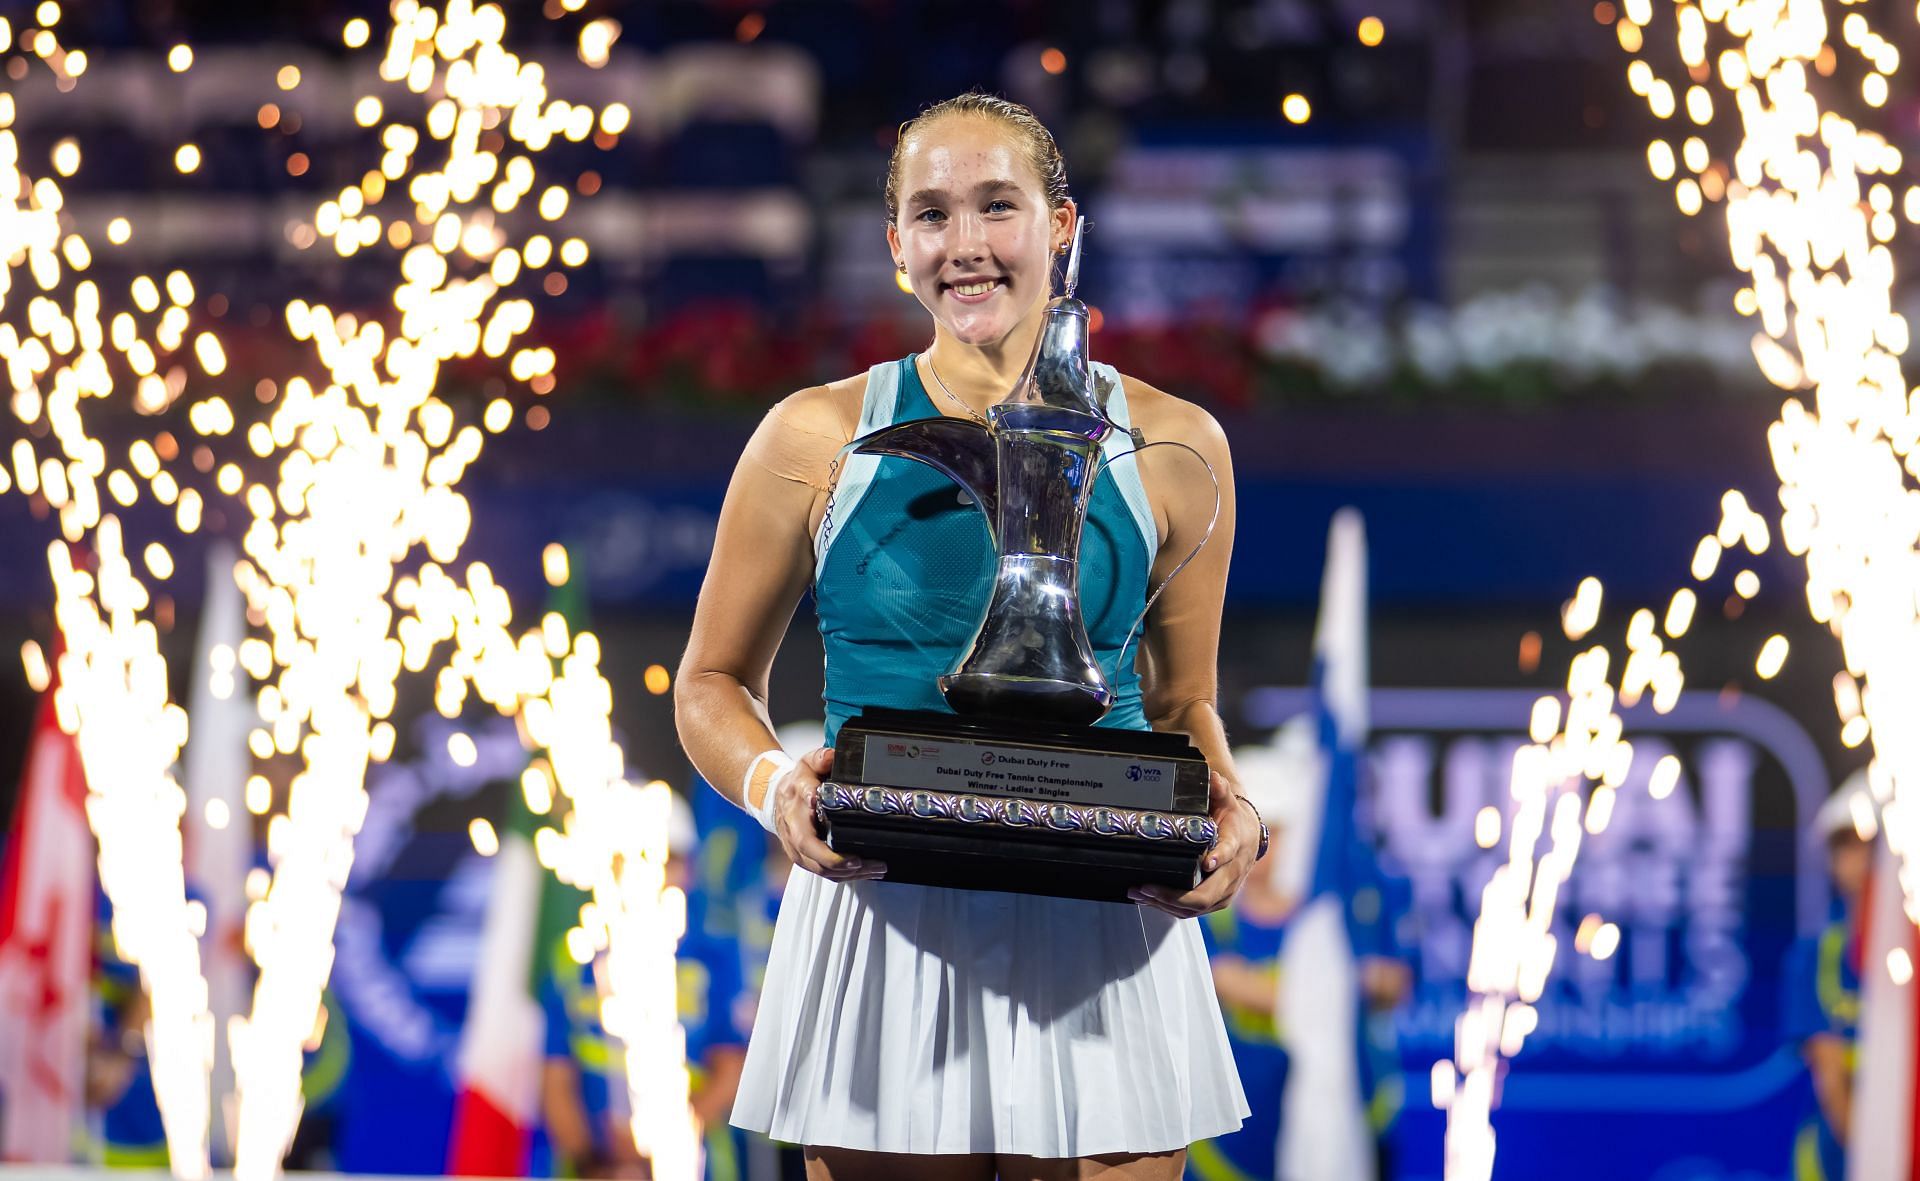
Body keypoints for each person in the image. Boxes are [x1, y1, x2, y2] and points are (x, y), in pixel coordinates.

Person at [675, 91, 1258, 1181]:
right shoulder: (813, 435)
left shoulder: (1182, 445)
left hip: (1107, 923)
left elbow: (1184, 708)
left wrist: (1239, 822)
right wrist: (775, 787)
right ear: (896, 248)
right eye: (933, 215)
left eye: (999, 206)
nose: (967, 245)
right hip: (884, 917)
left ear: (1062, 226)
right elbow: (708, 681)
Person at [1781, 771, 1873, 1181]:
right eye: (1842, 845)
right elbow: (1832, 1083)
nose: (1855, 859)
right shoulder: (1816, 956)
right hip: (1835, 1166)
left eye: (1866, 843)